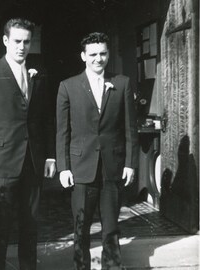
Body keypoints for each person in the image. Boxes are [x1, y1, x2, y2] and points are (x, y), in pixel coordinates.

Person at [0, 18, 56, 270]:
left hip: (32, 160)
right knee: (1, 226)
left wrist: (50, 156)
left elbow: (45, 119)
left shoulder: (39, 74)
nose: (22, 46)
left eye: (26, 41)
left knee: (31, 224)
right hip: (2, 164)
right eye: (17, 41)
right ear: (5, 41)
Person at [56, 32, 138, 270]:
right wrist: (64, 168)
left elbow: (130, 128)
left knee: (111, 227)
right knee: (81, 227)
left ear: (108, 54)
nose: (98, 59)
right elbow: (62, 131)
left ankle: (112, 267)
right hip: (81, 168)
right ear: (83, 56)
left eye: (103, 53)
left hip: (112, 167)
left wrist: (130, 163)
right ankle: (81, 267)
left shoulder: (122, 83)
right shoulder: (68, 86)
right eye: (92, 54)